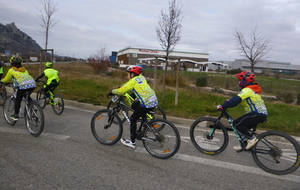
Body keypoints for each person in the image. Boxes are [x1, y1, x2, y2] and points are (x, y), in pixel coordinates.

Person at [107, 66, 159, 148]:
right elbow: (127, 85)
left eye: (128, 74)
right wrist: (122, 86)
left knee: (132, 119)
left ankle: (132, 142)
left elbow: (122, 91)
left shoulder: (133, 81)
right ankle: (143, 123)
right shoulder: (141, 77)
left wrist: (112, 91)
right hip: (153, 101)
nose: (127, 75)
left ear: (132, 74)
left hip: (146, 103)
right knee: (134, 105)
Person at [217, 71, 268, 150]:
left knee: (236, 124)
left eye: (239, 80)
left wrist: (223, 106)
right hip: (260, 114)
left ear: (245, 80)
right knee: (242, 128)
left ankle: (251, 139)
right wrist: (230, 101)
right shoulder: (252, 89)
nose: (239, 82)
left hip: (256, 114)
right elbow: (238, 99)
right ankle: (244, 145)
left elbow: (236, 100)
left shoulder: (247, 90)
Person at [1, 56, 36, 120]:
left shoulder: (11, 70)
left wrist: (1, 81)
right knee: (26, 96)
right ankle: (33, 107)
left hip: (23, 86)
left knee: (18, 99)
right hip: (32, 84)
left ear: (12, 63)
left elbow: (6, 80)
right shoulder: (25, 69)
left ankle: (16, 115)